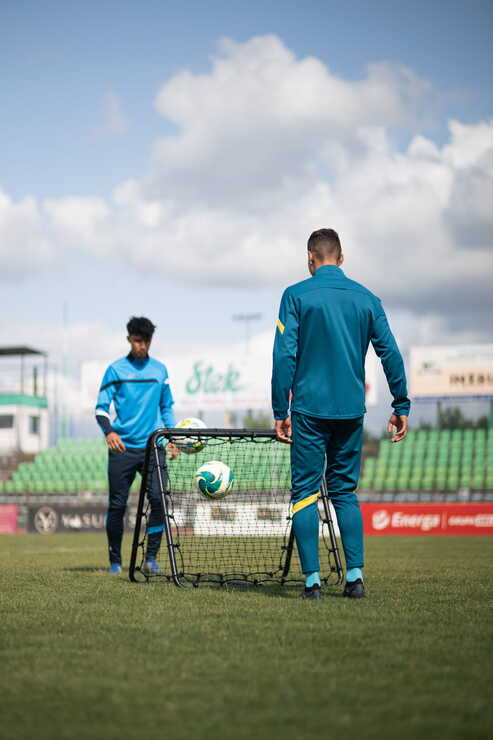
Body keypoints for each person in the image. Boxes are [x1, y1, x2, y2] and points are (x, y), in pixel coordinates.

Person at [272, 229, 410, 600]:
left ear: (310, 258)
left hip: (308, 409)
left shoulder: (295, 295)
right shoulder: (368, 299)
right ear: (342, 258)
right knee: (345, 492)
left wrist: (278, 409)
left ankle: (313, 583)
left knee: (304, 492)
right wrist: (401, 404)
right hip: (351, 410)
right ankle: (355, 578)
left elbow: (284, 355)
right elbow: (391, 354)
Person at [95, 316, 178, 574]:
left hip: (154, 446)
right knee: (117, 505)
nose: (142, 346)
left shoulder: (160, 371)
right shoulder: (115, 370)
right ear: (129, 339)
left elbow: (166, 408)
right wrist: (108, 432)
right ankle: (115, 562)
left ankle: (151, 559)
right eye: (138, 341)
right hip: (122, 449)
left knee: (159, 500)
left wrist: (171, 438)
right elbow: (100, 408)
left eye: (147, 341)